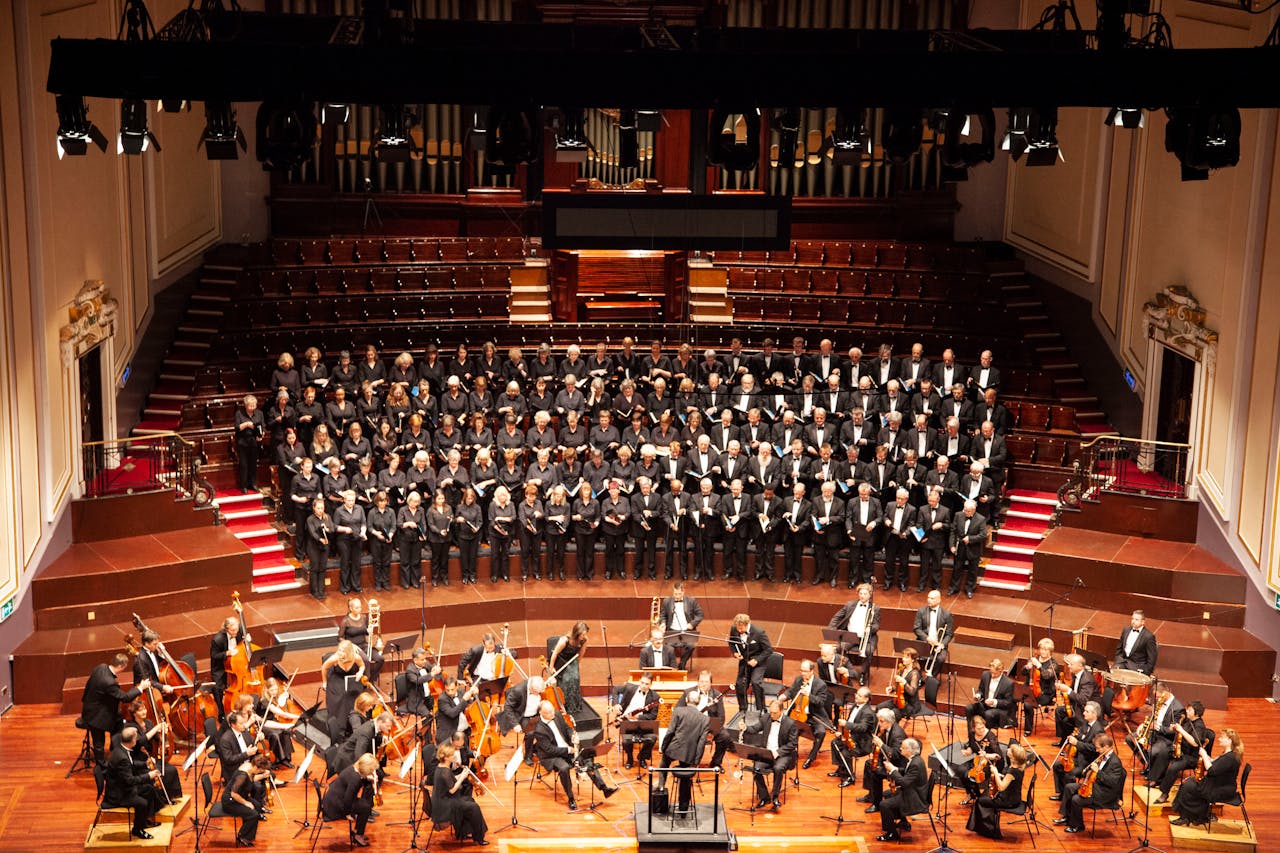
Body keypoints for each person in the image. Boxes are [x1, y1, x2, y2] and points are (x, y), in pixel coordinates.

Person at [528, 700, 617, 811]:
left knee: (586, 756)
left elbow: (567, 728)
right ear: (541, 713)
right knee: (564, 768)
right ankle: (571, 798)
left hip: (567, 748)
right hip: (551, 756)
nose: (552, 714)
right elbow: (549, 750)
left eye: (552, 711)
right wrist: (568, 750)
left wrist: (572, 736)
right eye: (549, 713)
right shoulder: (539, 729)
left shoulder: (556, 714)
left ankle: (604, 788)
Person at [82, 653, 149, 765]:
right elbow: (125, 698)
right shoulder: (109, 682)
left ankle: (115, 752)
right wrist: (140, 688)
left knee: (119, 724)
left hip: (92, 707)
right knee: (99, 743)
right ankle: (102, 766)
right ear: (121, 666)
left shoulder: (101, 667)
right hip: (96, 716)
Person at [1170, 729, 1243, 827]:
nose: (1219, 739)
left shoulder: (1230, 757)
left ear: (1230, 740)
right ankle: (1192, 816)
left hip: (1220, 789)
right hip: (1217, 784)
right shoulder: (1229, 754)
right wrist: (1209, 759)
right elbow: (1218, 766)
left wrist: (1204, 755)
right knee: (1188, 783)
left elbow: (1212, 771)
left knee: (1187, 786)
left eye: (1222, 738)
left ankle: (1191, 817)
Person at [1055, 733, 1126, 834]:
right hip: (1093, 786)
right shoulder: (1102, 755)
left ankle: (1078, 826)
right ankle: (1067, 817)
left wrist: (1098, 772)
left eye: (1098, 748)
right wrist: (1087, 772)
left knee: (1076, 799)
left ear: (1106, 747)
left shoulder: (1115, 762)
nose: (1096, 750)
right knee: (1069, 788)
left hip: (1105, 794)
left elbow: (1112, 783)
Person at [103, 726, 163, 840]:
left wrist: (145, 764)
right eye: (136, 738)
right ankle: (137, 830)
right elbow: (130, 780)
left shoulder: (120, 748)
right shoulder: (122, 758)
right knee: (142, 803)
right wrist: (148, 776)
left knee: (149, 790)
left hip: (121, 786)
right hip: (118, 794)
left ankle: (143, 821)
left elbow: (130, 764)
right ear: (132, 741)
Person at [119, 698, 183, 798]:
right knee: (161, 772)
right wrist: (156, 729)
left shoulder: (148, 722)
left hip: (150, 758)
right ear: (134, 713)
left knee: (171, 769)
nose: (144, 711)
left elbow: (156, 738)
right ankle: (160, 797)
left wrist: (163, 734)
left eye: (144, 709)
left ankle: (170, 796)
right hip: (138, 760)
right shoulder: (130, 726)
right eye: (140, 710)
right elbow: (140, 742)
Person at [742, 698, 799, 811]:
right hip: (767, 753)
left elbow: (793, 744)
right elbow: (754, 729)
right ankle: (764, 797)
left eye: (775, 713)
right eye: (771, 712)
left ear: (782, 711)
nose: (772, 715)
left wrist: (777, 752)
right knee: (756, 769)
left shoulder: (790, 723)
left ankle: (775, 796)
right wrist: (745, 727)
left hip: (782, 754)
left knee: (778, 768)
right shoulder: (766, 718)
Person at [660, 690, 711, 812]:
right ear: (698, 703)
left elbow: (670, 732)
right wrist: (696, 762)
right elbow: (701, 743)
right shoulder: (705, 719)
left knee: (663, 764)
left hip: (673, 749)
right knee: (685, 779)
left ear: (686, 701)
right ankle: (683, 808)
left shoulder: (678, 711)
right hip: (689, 754)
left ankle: (661, 787)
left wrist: (663, 747)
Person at [778, 659, 834, 769]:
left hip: (814, 715)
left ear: (811, 671)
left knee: (821, 732)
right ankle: (791, 751)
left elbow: (820, 702)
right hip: (798, 712)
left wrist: (809, 695)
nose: (803, 673)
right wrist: (784, 696)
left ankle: (811, 757)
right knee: (788, 726)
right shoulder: (799, 680)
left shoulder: (820, 684)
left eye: (805, 671)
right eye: (801, 671)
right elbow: (791, 691)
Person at [1151, 700, 1209, 803]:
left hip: (1191, 756)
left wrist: (1181, 730)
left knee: (1174, 767)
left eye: (1189, 710)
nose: (1186, 711)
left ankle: (1164, 794)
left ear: (1196, 713)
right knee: (1164, 753)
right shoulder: (1187, 720)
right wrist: (1175, 728)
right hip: (1181, 750)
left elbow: (1195, 743)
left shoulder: (1199, 726)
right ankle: (1156, 779)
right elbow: (1180, 731)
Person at [967, 742, 1027, 840]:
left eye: (1010, 750)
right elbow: (1010, 781)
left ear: (1013, 757)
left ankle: (989, 831)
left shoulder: (1012, 772)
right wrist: (1001, 776)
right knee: (986, 794)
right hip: (1014, 796)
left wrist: (995, 772)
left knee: (980, 800)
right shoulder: (1018, 767)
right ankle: (986, 827)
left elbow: (1001, 787)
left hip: (1008, 801)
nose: (1007, 750)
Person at [431, 743, 489, 845]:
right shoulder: (444, 771)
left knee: (470, 800)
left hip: (443, 800)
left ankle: (462, 833)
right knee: (474, 807)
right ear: (447, 757)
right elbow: (452, 789)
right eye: (453, 755)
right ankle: (479, 838)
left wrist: (462, 774)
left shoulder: (441, 767)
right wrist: (462, 777)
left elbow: (450, 780)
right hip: (444, 806)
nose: (455, 756)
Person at [874, 737, 930, 843]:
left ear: (909, 750)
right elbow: (907, 772)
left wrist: (892, 771)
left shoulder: (915, 764)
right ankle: (903, 821)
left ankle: (891, 833)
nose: (900, 749)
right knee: (887, 794)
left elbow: (904, 782)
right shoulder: (915, 759)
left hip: (915, 798)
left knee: (884, 804)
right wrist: (896, 769)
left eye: (903, 748)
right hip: (913, 792)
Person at [323, 752, 379, 847]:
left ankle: (358, 831)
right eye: (371, 770)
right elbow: (348, 799)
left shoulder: (353, 768)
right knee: (366, 807)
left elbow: (354, 788)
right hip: (336, 807)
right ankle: (358, 835)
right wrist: (347, 814)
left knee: (365, 805)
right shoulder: (355, 779)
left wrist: (370, 779)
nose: (372, 772)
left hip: (333, 800)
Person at [1051, 700, 1104, 800]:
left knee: (1069, 774)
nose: (1083, 713)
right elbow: (1081, 735)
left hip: (1086, 762)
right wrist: (1074, 737)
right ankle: (1062, 793)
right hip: (1077, 757)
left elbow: (1093, 748)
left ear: (1094, 714)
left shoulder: (1098, 730)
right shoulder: (1085, 723)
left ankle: (1069, 797)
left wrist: (1077, 743)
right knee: (1057, 765)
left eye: (1087, 712)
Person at [828, 583, 879, 685]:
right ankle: (846, 670)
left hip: (867, 637)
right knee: (840, 647)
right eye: (860, 593)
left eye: (865, 594)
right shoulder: (850, 604)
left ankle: (863, 674)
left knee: (868, 651)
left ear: (870, 595)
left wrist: (870, 628)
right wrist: (831, 628)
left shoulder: (875, 608)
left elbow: (877, 625)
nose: (862, 596)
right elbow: (837, 617)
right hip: (851, 636)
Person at [222, 754, 272, 847]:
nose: (260, 772)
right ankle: (242, 836)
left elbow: (250, 780)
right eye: (260, 770)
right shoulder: (242, 775)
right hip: (230, 801)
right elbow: (234, 794)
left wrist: (263, 775)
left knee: (257, 806)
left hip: (241, 795)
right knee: (253, 814)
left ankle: (248, 834)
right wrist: (246, 803)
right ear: (256, 767)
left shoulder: (250, 766)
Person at [829, 685, 875, 787]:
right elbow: (851, 722)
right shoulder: (855, 705)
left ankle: (850, 777)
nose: (856, 696)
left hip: (862, 743)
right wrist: (842, 733)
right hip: (852, 737)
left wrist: (846, 724)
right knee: (835, 743)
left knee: (846, 752)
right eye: (856, 694)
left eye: (859, 695)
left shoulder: (868, 713)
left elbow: (862, 728)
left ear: (866, 699)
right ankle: (841, 769)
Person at [321, 640, 366, 743]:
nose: (340, 652)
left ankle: (351, 724)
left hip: (349, 678)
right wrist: (324, 682)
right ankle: (339, 728)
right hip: (336, 677)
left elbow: (362, 666)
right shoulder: (334, 659)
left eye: (342, 651)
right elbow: (324, 668)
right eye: (339, 650)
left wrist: (360, 672)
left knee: (352, 695)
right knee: (341, 696)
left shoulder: (356, 657)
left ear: (348, 652)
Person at [612, 673, 659, 768]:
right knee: (626, 741)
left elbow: (653, 715)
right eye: (642, 683)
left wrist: (638, 717)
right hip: (627, 722)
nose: (643, 686)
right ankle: (629, 759)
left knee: (652, 739)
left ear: (650, 685)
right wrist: (616, 704)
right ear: (639, 681)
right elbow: (616, 689)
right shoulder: (630, 688)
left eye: (646, 684)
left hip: (643, 724)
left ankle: (641, 757)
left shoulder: (655, 697)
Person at [729, 613, 773, 712]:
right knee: (740, 684)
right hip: (744, 662)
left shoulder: (759, 633)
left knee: (756, 682)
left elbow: (768, 650)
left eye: (741, 628)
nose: (739, 631)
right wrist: (735, 653)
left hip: (758, 663)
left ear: (747, 624)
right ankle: (743, 709)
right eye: (738, 628)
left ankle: (761, 709)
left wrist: (757, 660)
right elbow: (731, 642)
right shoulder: (734, 629)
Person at [1053, 653, 1099, 744]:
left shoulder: (1087, 679)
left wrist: (1068, 690)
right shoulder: (1075, 674)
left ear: (1080, 666)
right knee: (1059, 711)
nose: (1069, 666)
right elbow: (1073, 691)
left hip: (1086, 708)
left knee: (1067, 720)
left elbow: (1083, 699)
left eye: (1071, 664)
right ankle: (1063, 740)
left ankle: (1070, 742)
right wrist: (1062, 689)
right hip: (1077, 704)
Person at [210, 614, 248, 719]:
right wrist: (227, 653)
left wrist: (247, 639)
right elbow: (214, 655)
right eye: (232, 631)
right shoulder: (217, 639)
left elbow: (243, 643)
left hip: (236, 663)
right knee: (217, 689)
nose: (235, 632)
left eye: (236, 629)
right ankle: (221, 714)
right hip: (220, 666)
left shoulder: (239, 630)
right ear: (226, 629)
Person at [660, 582, 704, 671]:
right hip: (672, 631)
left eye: (679, 594)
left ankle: (682, 663)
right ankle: (673, 666)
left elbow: (700, 614)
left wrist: (692, 624)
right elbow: (663, 615)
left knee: (691, 646)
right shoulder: (667, 601)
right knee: (669, 647)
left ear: (683, 592)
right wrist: (663, 623)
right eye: (675, 594)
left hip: (687, 631)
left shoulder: (691, 601)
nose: (677, 596)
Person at [948, 499, 988, 598]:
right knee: (957, 568)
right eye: (965, 510)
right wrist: (952, 545)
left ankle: (969, 588)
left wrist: (970, 539)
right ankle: (954, 587)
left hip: (973, 549)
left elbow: (983, 535)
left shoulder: (981, 519)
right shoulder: (958, 515)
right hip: (960, 547)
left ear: (974, 510)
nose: (966, 512)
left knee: (973, 570)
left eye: (968, 511)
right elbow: (953, 531)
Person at [1021, 637, 1060, 735]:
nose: (1043, 651)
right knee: (1011, 693)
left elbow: (1046, 676)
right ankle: (1010, 721)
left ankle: (1028, 729)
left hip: (1044, 693)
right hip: (1030, 688)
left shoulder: (1054, 664)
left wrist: (1039, 666)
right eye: (1041, 649)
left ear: (1050, 651)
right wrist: (1027, 667)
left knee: (1027, 704)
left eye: (1046, 650)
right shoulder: (1033, 659)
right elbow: (1023, 672)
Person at [339, 598, 384, 680]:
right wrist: (350, 645)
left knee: (380, 659)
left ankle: (371, 679)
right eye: (357, 608)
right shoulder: (345, 621)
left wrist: (369, 631)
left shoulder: (363, 618)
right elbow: (340, 638)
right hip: (353, 647)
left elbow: (366, 631)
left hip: (364, 645)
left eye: (360, 607)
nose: (359, 609)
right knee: (366, 660)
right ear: (351, 608)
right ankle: (365, 683)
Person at [550, 621, 589, 715]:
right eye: (582, 635)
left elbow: (580, 655)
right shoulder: (564, 640)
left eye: (584, 634)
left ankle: (574, 706)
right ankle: (564, 705)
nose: (583, 637)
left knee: (575, 678)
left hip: (572, 661)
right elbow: (555, 653)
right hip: (562, 661)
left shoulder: (584, 640)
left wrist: (576, 667)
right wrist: (551, 667)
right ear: (577, 633)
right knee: (566, 680)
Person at [912, 590, 954, 677]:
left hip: (938, 643)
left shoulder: (946, 614)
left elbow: (949, 634)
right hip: (924, 641)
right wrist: (927, 638)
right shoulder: (921, 611)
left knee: (941, 658)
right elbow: (916, 628)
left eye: (932, 598)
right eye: (928, 597)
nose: (929, 600)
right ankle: (918, 678)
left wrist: (941, 644)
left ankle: (932, 676)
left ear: (939, 600)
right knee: (914, 655)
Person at [965, 658, 1015, 729]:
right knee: (969, 708)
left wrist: (994, 702)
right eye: (991, 672)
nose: (992, 675)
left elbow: (1008, 702)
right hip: (985, 705)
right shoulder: (985, 675)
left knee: (988, 714)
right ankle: (971, 734)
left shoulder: (1008, 683)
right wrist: (978, 695)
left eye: (995, 673)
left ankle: (987, 736)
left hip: (998, 709)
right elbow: (981, 690)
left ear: (1000, 671)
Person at [333, 490, 367, 595]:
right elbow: (334, 526)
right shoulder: (339, 511)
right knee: (345, 563)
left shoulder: (359, 508)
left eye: (352, 500)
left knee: (356, 563)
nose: (351, 502)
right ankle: (345, 587)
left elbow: (363, 523)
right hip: (344, 540)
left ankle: (356, 585)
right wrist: (344, 529)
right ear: (344, 500)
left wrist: (363, 532)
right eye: (348, 500)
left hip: (357, 538)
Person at [876, 647, 922, 721]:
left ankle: (890, 731)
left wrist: (904, 682)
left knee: (891, 715)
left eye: (907, 657)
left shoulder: (915, 674)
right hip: (898, 700)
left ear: (913, 660)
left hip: (910, 705)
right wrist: (892, 688)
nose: (903, 659)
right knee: (879, 707)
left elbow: (912, 692)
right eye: (903, 656)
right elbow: (900, 687)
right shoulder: (902, 669)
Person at [234, 394, 266, 493]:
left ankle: (252, 483)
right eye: (250, 406)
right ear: (245, 405)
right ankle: (244, 485)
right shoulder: (239, 413)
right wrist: (247, 424)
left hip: (255, 442)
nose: (252, 408)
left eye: (254, 405)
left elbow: (263, 427)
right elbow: (237, 428)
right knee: (244, 465)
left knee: (253, 464)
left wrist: (261, 435)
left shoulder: (259, 413)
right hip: (243, 442)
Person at [1114, 610, 1159, 675]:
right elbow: (1119, 648)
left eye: (1136, 619)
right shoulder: (1126, 630)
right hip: (1122, 662)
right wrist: (1117, 660)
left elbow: (1152, 658)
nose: (1133, 621)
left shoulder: (1148, 636)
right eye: (1132, 619)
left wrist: (1146, 672)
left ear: (1143, 622)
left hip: (1137, 667)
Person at [396, 490, 426, 588]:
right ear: (409, 501)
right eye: (414, 502)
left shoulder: (421, 510)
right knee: (405, 561)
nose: (415, 504)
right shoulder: (402, 510)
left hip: (416, 539)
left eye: (417, 502)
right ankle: (405, 582)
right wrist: (408, 523)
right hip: (404, 539)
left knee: (416, 561)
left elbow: (423, 524)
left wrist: (423, 534)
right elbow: (399, 524)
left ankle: (415, 581)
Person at [455, 486, 483, 584]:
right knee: (464, 556)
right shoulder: (460, 507)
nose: (470, 500)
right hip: (463, 535)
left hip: (474, 535)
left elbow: (480, 521)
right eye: (468, 498)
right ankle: (465, 575)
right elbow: (455, 520)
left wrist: (477, 528)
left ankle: (472, 575)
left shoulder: (477, 507)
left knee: (473, 556)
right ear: (465, 497)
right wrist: (458, 520)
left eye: (471, 498)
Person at [488, 485, 516, 582]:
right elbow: (491, 520)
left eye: (504, 495)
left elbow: (513, 518)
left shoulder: (511, 504)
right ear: (497, 496)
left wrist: (501, 518)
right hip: (495, 532)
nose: (502, 497)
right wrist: (500, 530)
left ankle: (505, 574)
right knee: (495, 554)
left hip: (507, 532)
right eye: (500, 496)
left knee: (505, 554)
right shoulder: (492, 504)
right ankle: (494, 574)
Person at [426, 489, 454, 587]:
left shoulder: (449, 508)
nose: (441, 500)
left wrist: (451, 519)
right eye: (439, 498)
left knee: (444, 558)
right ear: (434, 499)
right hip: (435, 538)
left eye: (442, 498)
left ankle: (444, 577)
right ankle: (435, 577)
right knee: (436, 558)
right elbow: (430, 524)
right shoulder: (430, 510)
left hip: (446, 537)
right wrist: (439, 531)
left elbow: (452, 518)